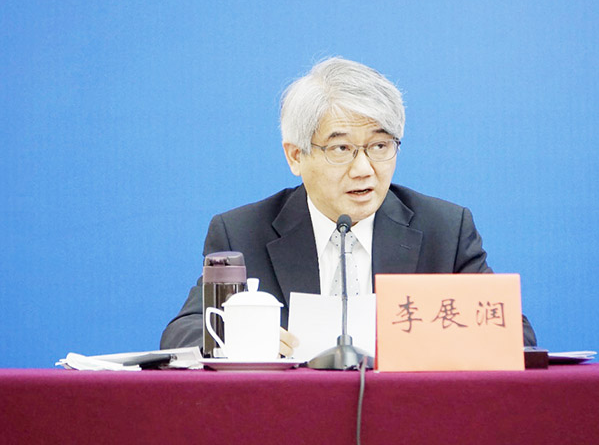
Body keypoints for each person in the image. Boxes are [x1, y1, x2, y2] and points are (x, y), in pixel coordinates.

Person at [160, 57, 537, 354]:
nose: (364, 169)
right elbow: (184, 332)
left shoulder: (445, 229)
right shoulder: (243, 233)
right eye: (341, 148)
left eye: (380, 146)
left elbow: (514, 334)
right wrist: (241, 337)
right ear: (295, 156)